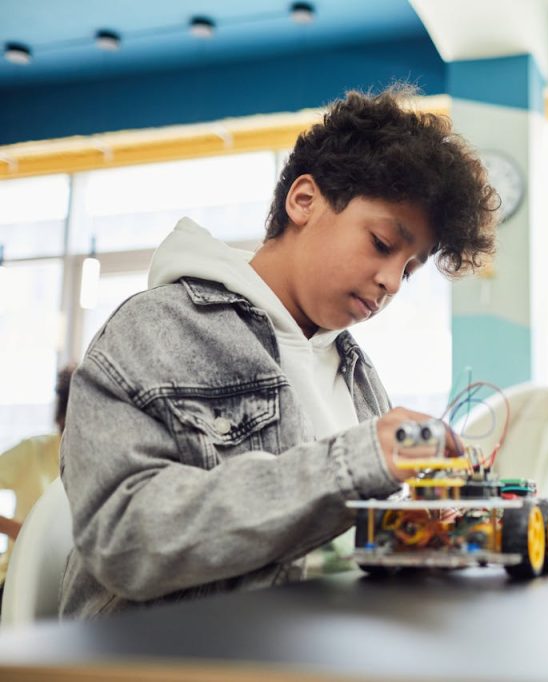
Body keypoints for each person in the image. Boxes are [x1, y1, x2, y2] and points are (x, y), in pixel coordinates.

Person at [59, 85, 497, 618]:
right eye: (383, 243)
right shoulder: (156, 331)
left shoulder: (356, 373)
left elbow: (347, 552)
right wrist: (354, 464)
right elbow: (125, 539)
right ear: (304, 200)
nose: (392, 282)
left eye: (409, 268)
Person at [0, 363, 75, 602]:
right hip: (17, 583)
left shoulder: (106, 463)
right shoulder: (33, 451)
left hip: (67, 589)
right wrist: (23, 533)